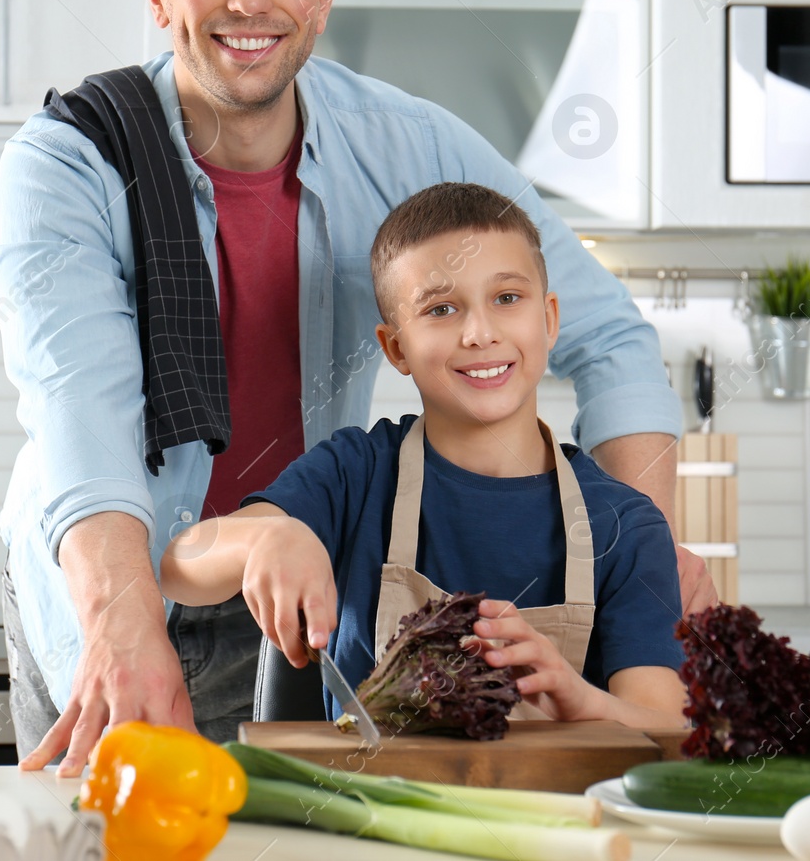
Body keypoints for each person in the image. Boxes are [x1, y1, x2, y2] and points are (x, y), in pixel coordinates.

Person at [0, 0, 712, 774]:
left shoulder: (410, 145)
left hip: (301, 599)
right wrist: (123, 628)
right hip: (111, 581)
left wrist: (641, 564)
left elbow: (613, 340)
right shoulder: (70, 163)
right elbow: (81, 417)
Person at [161, 183, 689, 731]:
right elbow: (181, 563)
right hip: (366, 810)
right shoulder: (356, 475)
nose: (480, 333)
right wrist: (266, 537)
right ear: (396, 349)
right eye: (441, 309)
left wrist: (585, 703)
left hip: (562, 814)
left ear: (549, 320)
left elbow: (666, 728)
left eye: (507, 298)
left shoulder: (626, 525)